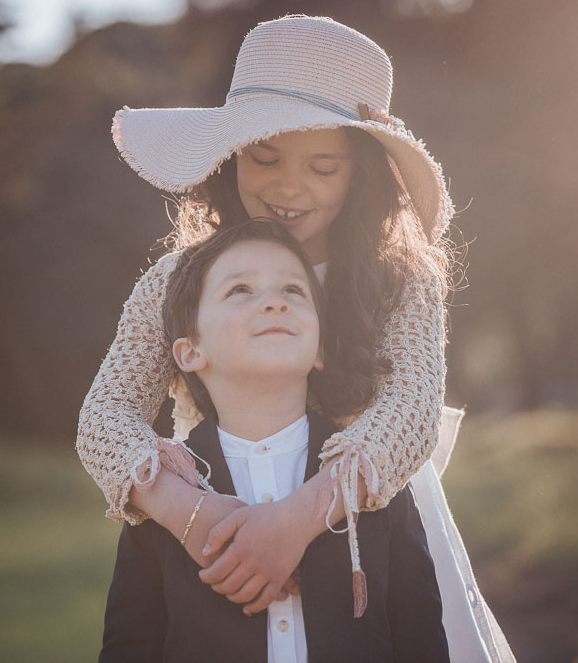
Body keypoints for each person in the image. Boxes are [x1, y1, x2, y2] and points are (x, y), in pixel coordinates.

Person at [78, 15, 514, 661]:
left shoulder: (397, 279)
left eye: (323, 166)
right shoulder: (180, 280)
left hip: (373, 525)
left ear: (359, 171)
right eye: (265, 156)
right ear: (231, 152)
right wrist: (192, 518)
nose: (288, 187)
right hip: (224, 506)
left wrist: (299, 518)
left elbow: (412, 409)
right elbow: (105, 414)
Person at [100, 219, 450, 662]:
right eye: (240, 290)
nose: (274, 304)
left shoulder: (373, 476)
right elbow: (130, 643)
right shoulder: (161, 488)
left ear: (320, 347)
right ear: (190, 352)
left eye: (293, 291)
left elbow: (419, 634)